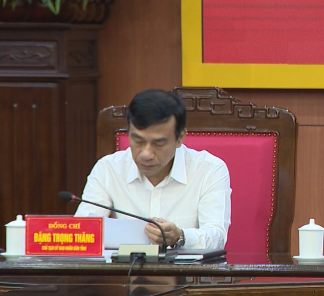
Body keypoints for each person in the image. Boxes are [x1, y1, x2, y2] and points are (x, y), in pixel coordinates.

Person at [76, 89, 231, 251]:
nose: (146, 154)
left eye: (159, 143)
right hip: (123, 267)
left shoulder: (209, 169)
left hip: (185, 267)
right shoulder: (108, 169)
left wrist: (180, 236)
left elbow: (217, 238)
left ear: (180, 138)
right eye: (138, 141)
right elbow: (82, 234)